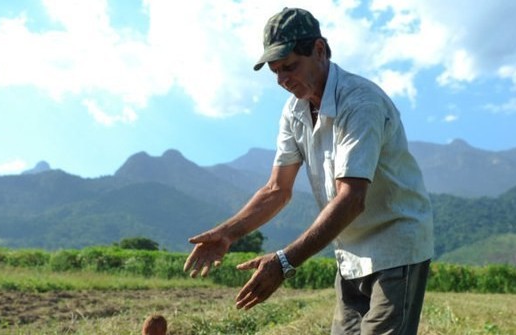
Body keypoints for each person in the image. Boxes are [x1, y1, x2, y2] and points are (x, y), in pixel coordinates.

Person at [184, 7, 434, 335]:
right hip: (349, 252)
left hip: (395, 245)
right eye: (275, 72)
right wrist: (228, 233)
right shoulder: (295, 111)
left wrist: (284, 262)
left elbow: (352, 198)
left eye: (289, 67)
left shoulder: (360, 102)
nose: (283, 80)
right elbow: (277, 189)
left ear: (319, 50)